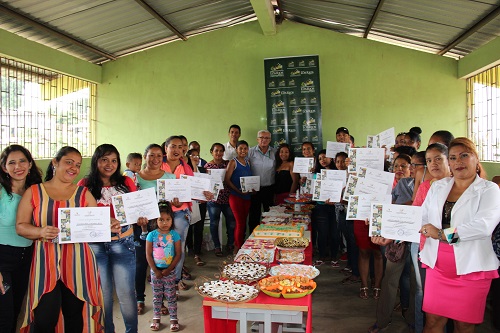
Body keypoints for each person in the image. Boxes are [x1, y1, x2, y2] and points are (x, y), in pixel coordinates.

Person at [16, 146, 115, 332]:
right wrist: (40, 232)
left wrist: (109, 224)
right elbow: (20, 226)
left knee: (74, 315)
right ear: (55, 162)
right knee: (45, 317)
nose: (73, 168)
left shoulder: (83, 194)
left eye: (77, 165)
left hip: (79, 262)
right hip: (45, 262)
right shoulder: (35, 192)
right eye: (69, 162)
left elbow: (96, 223)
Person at [420, 137, 500, 332]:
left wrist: (442, 234)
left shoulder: (489, 189)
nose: (458, 162)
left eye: (464, 155)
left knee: (463, 325)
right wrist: (389, 231)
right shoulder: (438, 187)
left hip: (472, 269)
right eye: (453, 157)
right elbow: (420, 218)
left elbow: (483, 227)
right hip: (438, 267)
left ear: (476, 158)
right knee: (432, 322)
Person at [78, 144, 144, 333]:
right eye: (104, 159)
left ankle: (132, 330)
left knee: (126, 294)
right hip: (96, 246)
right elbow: (80, 216)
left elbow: (135, 211)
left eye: (114, 160)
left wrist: (140, 218)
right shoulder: (84, 185)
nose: (109, 164)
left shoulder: (126, 182)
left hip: (123, 243)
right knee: (104, 295)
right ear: (96, 161)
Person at [368, 154, 415, 333]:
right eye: (397, 165)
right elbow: (388, 205)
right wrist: (374, 217)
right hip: (397, 239)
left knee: (413, 284)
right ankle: (382, 321)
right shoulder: (397, 185)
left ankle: (412, 318)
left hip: (419, 239)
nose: (400, 169)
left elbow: (417, 205)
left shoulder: (428, 185)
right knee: (390, 280)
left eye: (405, 165)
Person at [161, 136, 213, 291]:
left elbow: (194, 189)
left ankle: (175, 281)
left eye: (180, 147)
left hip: (181, 212)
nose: (177, 150)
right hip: (161, 214)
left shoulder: (186, 166)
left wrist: (205, 195)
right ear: (166, 148)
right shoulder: (158, 164)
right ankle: (163, 281)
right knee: (163, 249)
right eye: (173, 146)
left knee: (178, 248)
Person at [0, 145, 42, 333]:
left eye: (22, 161)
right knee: (4, 316)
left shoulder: (36, 191)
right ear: (4, 168)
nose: (18, 166)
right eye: (12, 163)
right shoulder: (1, 191)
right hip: (3, 259)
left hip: (27, 258)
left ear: (30, 164)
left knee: (17, 311)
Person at [135, 144, 176, 315]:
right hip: (142, 226)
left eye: (159, 156)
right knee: (141, 263)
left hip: (163, 228)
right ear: (145, 157)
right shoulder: (134, 178)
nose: (156, 159)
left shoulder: (170, 177)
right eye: (152, 155)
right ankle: (139, 298)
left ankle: (162, 301)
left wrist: (177, 202)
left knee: (162, 262)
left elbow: (173, 204)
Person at [146, 201, 181, 332]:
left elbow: (178, 254)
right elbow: (148, 255)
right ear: (156, 220)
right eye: (161, 220)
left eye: (168, 219)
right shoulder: (151, 235)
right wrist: (155, 270)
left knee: (171, 295)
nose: (165, 223)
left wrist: (169, 269)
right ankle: (156, 318)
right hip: (156, 272)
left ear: (172, 220)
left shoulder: (174, 235)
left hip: (169, 272)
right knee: (157, 296)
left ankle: (174, 319)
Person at [205, 143, 236, 255]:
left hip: (227, 198)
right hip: (214, 200)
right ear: (211, 152)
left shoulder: (228, 164)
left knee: (231, 223)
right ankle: (217, 246)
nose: (218, 153)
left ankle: (230, 244)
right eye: (216, 151)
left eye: (221, 151)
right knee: (214, 223)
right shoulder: (207, 166)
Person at [312, 149, 340, 267]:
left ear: (331, 158)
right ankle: (322, 256)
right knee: (322, 233)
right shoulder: (316, 174)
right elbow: (314, 191)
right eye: (319, 159)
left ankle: (334, 257)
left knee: (334, 233)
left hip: (335, 208)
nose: (322, 160)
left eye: (324, 157)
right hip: (321, 207)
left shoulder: (338, 173)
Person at [225, 140, 252, 252]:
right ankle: (237, 247)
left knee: (243, 222)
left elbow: (249, 181)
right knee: (240, 223)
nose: (243, 151)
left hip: (247, 197)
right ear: (236, 149)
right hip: (236, 196)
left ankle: (241, 245)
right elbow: (227, 180)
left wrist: (252, 189)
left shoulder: (248, 162)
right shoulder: (233, 162)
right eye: (240, 148)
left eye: (245, 148)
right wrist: (239, 191)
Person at [247, 130, 276, 233]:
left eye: (267, 138)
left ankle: (270, 239)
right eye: (261, 137)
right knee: (254, 216)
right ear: (257, 139)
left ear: (270, 140)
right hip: (254, 189)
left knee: (271, 216)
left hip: (269, 189)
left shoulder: (275, 152)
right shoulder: (250, 152)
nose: (264, 140)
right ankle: (252, 240)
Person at [185, 148, 207, 266]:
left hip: (201, 203)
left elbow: (206, 186)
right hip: (189, 203)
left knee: (199, 227)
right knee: (189, 228)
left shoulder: (203, 170)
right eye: (192, 155)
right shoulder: (184, 170)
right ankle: (191, 250)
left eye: (197, 156)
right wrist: (192, 166)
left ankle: (197, 253)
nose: (195, 158)